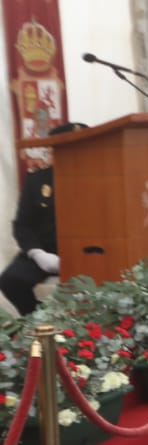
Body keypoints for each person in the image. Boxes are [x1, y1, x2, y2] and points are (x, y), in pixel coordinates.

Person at [0, 121, 83, 315]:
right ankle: (39, 321)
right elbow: (22, 224)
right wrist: (37, 253)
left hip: (88, 251)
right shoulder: (38, 180)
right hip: (46, 250)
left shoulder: (103, 177)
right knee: (11, 280)